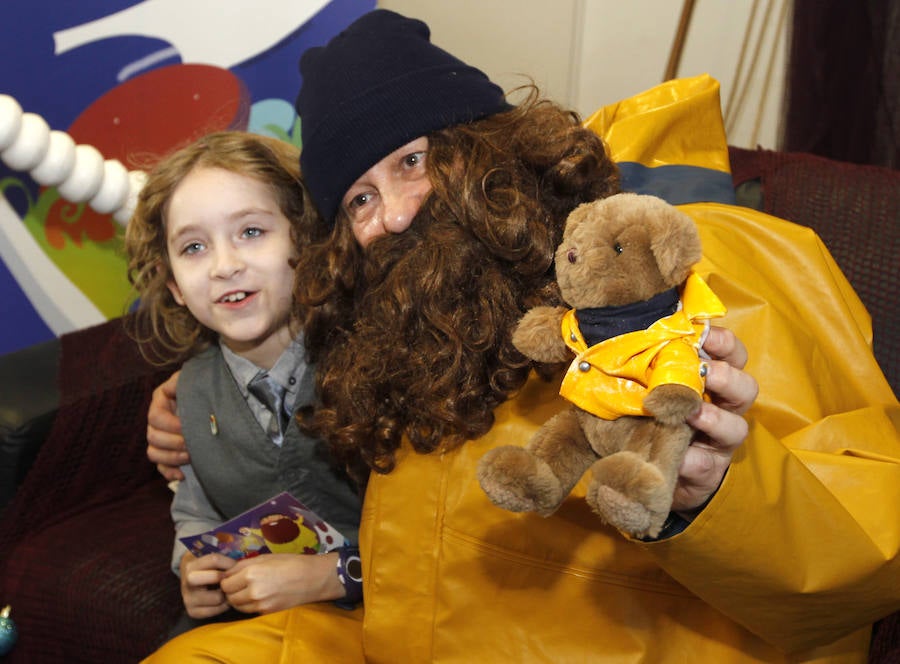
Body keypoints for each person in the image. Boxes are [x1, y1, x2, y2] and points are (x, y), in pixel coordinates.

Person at [144, 10, 900, 663]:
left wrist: (716, 495)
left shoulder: (693, 260)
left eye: (414, 161)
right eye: (361, 199)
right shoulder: (397, 337)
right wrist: (198, 391)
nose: (397, 215)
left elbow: (870, 538)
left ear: (489, 149)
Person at [123, 131, 363, 638]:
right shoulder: (190, 391)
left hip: (381, 615)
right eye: (193, 247)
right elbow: (195, 510)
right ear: (174, 289)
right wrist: (192, 566)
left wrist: (337, 575)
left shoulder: (368, 366)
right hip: (256, 624)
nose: (225, 265)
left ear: (305, 240)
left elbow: (430, 537)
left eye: (251, 232)